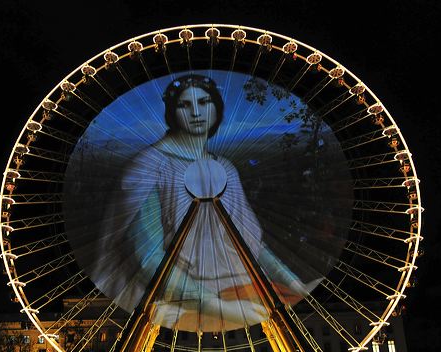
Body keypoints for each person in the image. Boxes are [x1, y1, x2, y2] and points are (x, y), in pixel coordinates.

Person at [87, 74, 318, 334]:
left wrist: (293, 282)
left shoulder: (225, 169)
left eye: (205, 102)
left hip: (235, 288)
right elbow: (146, 255)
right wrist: (214, 304)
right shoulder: (148, 166)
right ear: (171, 113)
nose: (196, 112)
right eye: (184, 105)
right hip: (174, 296)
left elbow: (250, 244)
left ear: (217, 108)